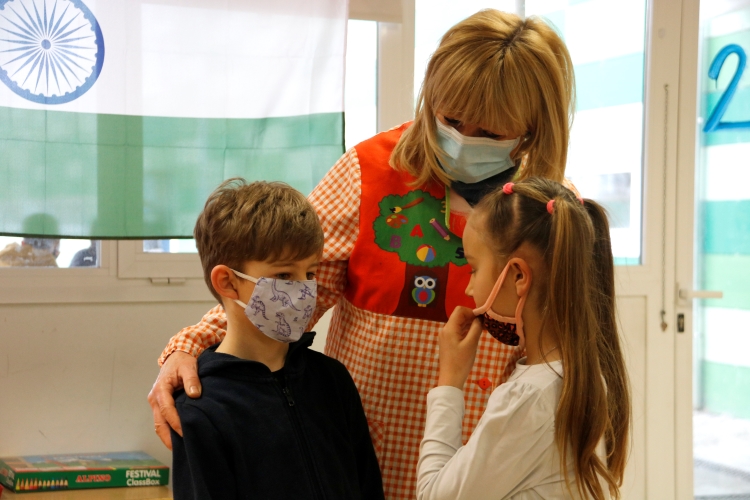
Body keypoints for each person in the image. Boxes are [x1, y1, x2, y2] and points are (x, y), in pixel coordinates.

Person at [149, 9, 576, 499]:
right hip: (369, 450)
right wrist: (188, 345)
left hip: (486, 468)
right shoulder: (370, 171)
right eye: (451, 119)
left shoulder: (545, 208)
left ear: (532, 128)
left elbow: (566, 340)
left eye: (491, 133)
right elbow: (284, 287)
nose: (463, 140)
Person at [170, 178, 384, 499]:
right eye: (284, 275)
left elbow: (367, 487)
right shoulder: (202, 410)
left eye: (310, 274)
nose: (303, 291)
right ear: (228, 283)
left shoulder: (332, 380)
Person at [417, 178, 630, 499]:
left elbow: (433, 495)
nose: (469, 289)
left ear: (518, 276)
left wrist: (449, 382)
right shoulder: (573, 375)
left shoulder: (530, 397)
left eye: (473, 269)